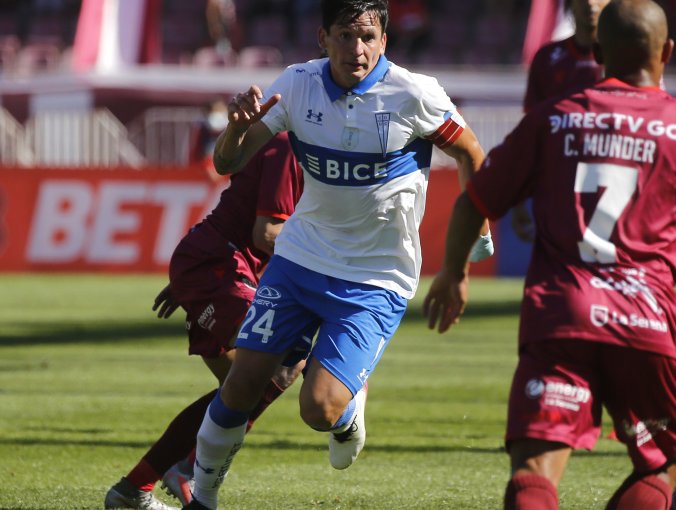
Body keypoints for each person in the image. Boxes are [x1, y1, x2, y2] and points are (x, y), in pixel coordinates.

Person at [423, 1, 676, 508]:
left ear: (598, 50)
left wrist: (454, 273)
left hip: (560, 315)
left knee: (535, 468)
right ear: (668, 52)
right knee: (662, 463)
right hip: (646, 322)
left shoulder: (553, 120)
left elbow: (473, 200)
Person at [184, 1, 493, 508]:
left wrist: (478, 232)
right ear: (322, 38)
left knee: (319, 410)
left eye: (369, 36)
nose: (358, 49)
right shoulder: (297, 84)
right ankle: (204, 498)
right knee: (240, 386)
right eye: (346, 36)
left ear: (385, 40)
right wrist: (237, 128)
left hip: (377, 276)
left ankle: (350, 404)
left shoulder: (415, 93)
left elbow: (471, 153)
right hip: (300, 260)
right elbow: (228, 161)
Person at [104, 132, 305, 510]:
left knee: (240, 389)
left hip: (216, 267)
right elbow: (266, 235)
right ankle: (188, 467)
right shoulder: (290, 145)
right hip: (220, 266)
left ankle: (134, 489)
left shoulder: (319, 152)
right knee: (278, 364)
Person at [512, 0, 609, 242]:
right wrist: (519, 197)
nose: (590, 3)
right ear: (570, 5)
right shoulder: (547, 59)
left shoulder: (630, 59)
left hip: (613, 184)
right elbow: (531, 133)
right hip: (557, 187)